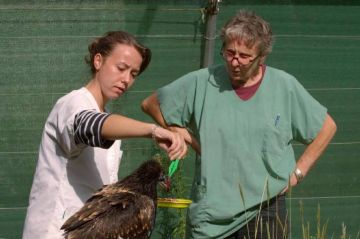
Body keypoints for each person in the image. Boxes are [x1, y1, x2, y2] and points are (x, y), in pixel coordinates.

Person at [141, 10, 337, 239]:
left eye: (244, 56)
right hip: (211, 214)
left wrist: (298, 173)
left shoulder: (284, 86)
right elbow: (152, 104)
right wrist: (183, 134)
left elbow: (327, 127)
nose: (235, 62)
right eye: (229, 53)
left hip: (266, 211)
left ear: (262, 56)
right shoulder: (202, 82)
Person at [22, 30, 187, 239]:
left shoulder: (109, 119)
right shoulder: (72, 104)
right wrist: (152, 130)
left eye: (133, 74)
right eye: (121, 68)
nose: (126, 79)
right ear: (98, 61)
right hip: (54, 231)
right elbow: (88, 124)